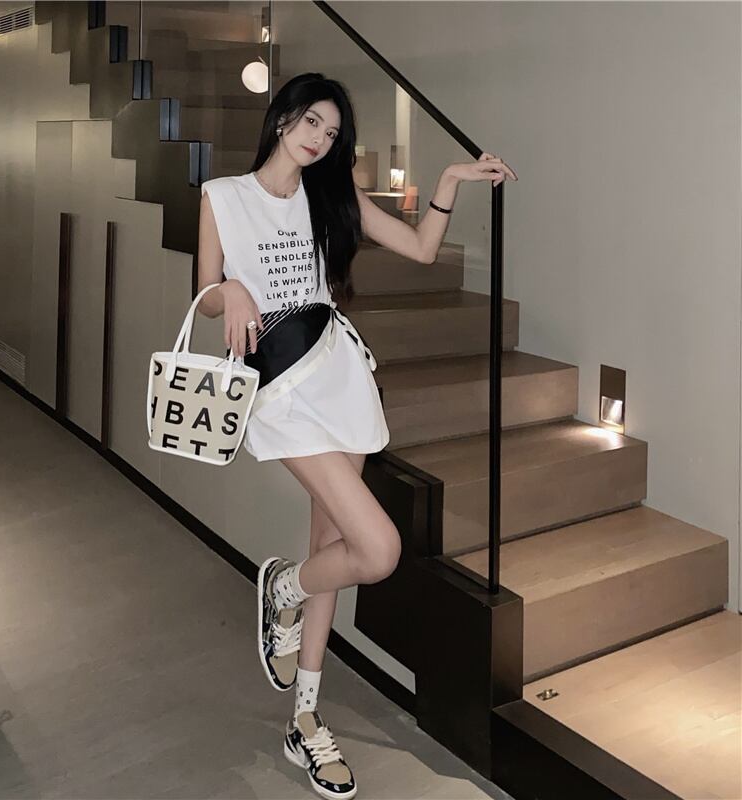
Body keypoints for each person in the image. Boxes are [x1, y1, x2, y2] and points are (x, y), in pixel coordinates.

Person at [197, 72, 517, 800]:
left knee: (331, 548)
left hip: (337, 376)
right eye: (311, 121)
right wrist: (232, 289)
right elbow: (207, 292)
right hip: (278, 389)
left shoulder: (331, 195)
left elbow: (423, 249)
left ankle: (305, 721)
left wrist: (449, 180)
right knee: (377, 550)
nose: (320, 138)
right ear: (283, 117)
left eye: (333, 132)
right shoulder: (223, 196)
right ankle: (282, 586)